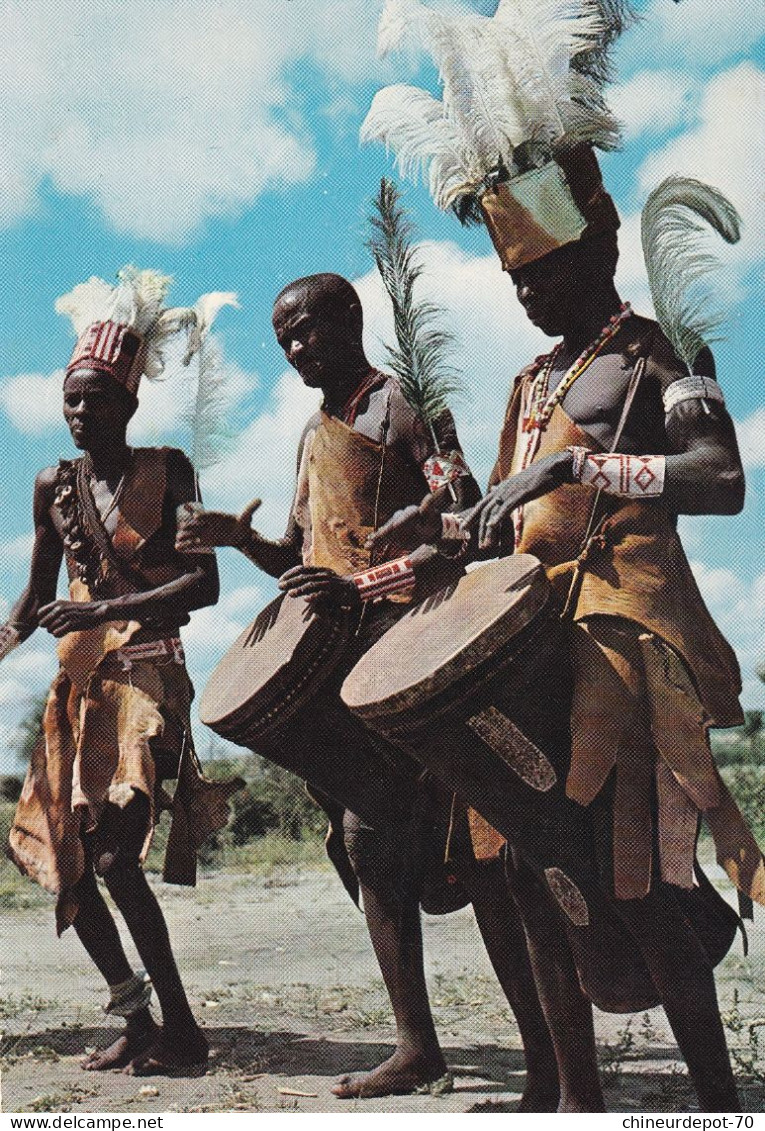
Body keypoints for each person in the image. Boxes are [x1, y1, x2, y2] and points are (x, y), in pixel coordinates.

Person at [369, 152, 765, 1111]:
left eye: (543, 270)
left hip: (620, 639)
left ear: (599, 250)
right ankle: (578, 1100)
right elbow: (507, 521)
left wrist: (580, 471)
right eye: (515, 277)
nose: (527, 291)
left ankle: (717, 1099)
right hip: (531, 644)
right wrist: (441, 542)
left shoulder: (657, 354)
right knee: (529, 869)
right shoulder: (531, 381)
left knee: (637, 875)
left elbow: (720, 479)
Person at [176, 271, 560, 1105]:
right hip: (343, 672)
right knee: (367, 842)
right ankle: (416, 1046)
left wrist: (372, 581)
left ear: (349, 318)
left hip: (420, 657)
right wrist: (240, 540)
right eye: (281, 339)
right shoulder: (316, 432)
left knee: (481, 855)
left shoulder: (407, 405)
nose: (292, 348)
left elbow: (459, 524)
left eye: (304, 330)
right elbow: (304, 565)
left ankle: (544, 1062)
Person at [4, 268, 242, 1076]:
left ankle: (183, 1029)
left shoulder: (167, 470)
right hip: (83, 694)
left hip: (148, 686)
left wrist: (102, 613)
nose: (80, 412)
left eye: (96, 398)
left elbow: (203, 584)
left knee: (113, 859)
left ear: (129, 404)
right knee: (65, 854)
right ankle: (138, 1015)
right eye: (71, 399)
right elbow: (35, 600)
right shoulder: (53, 486)